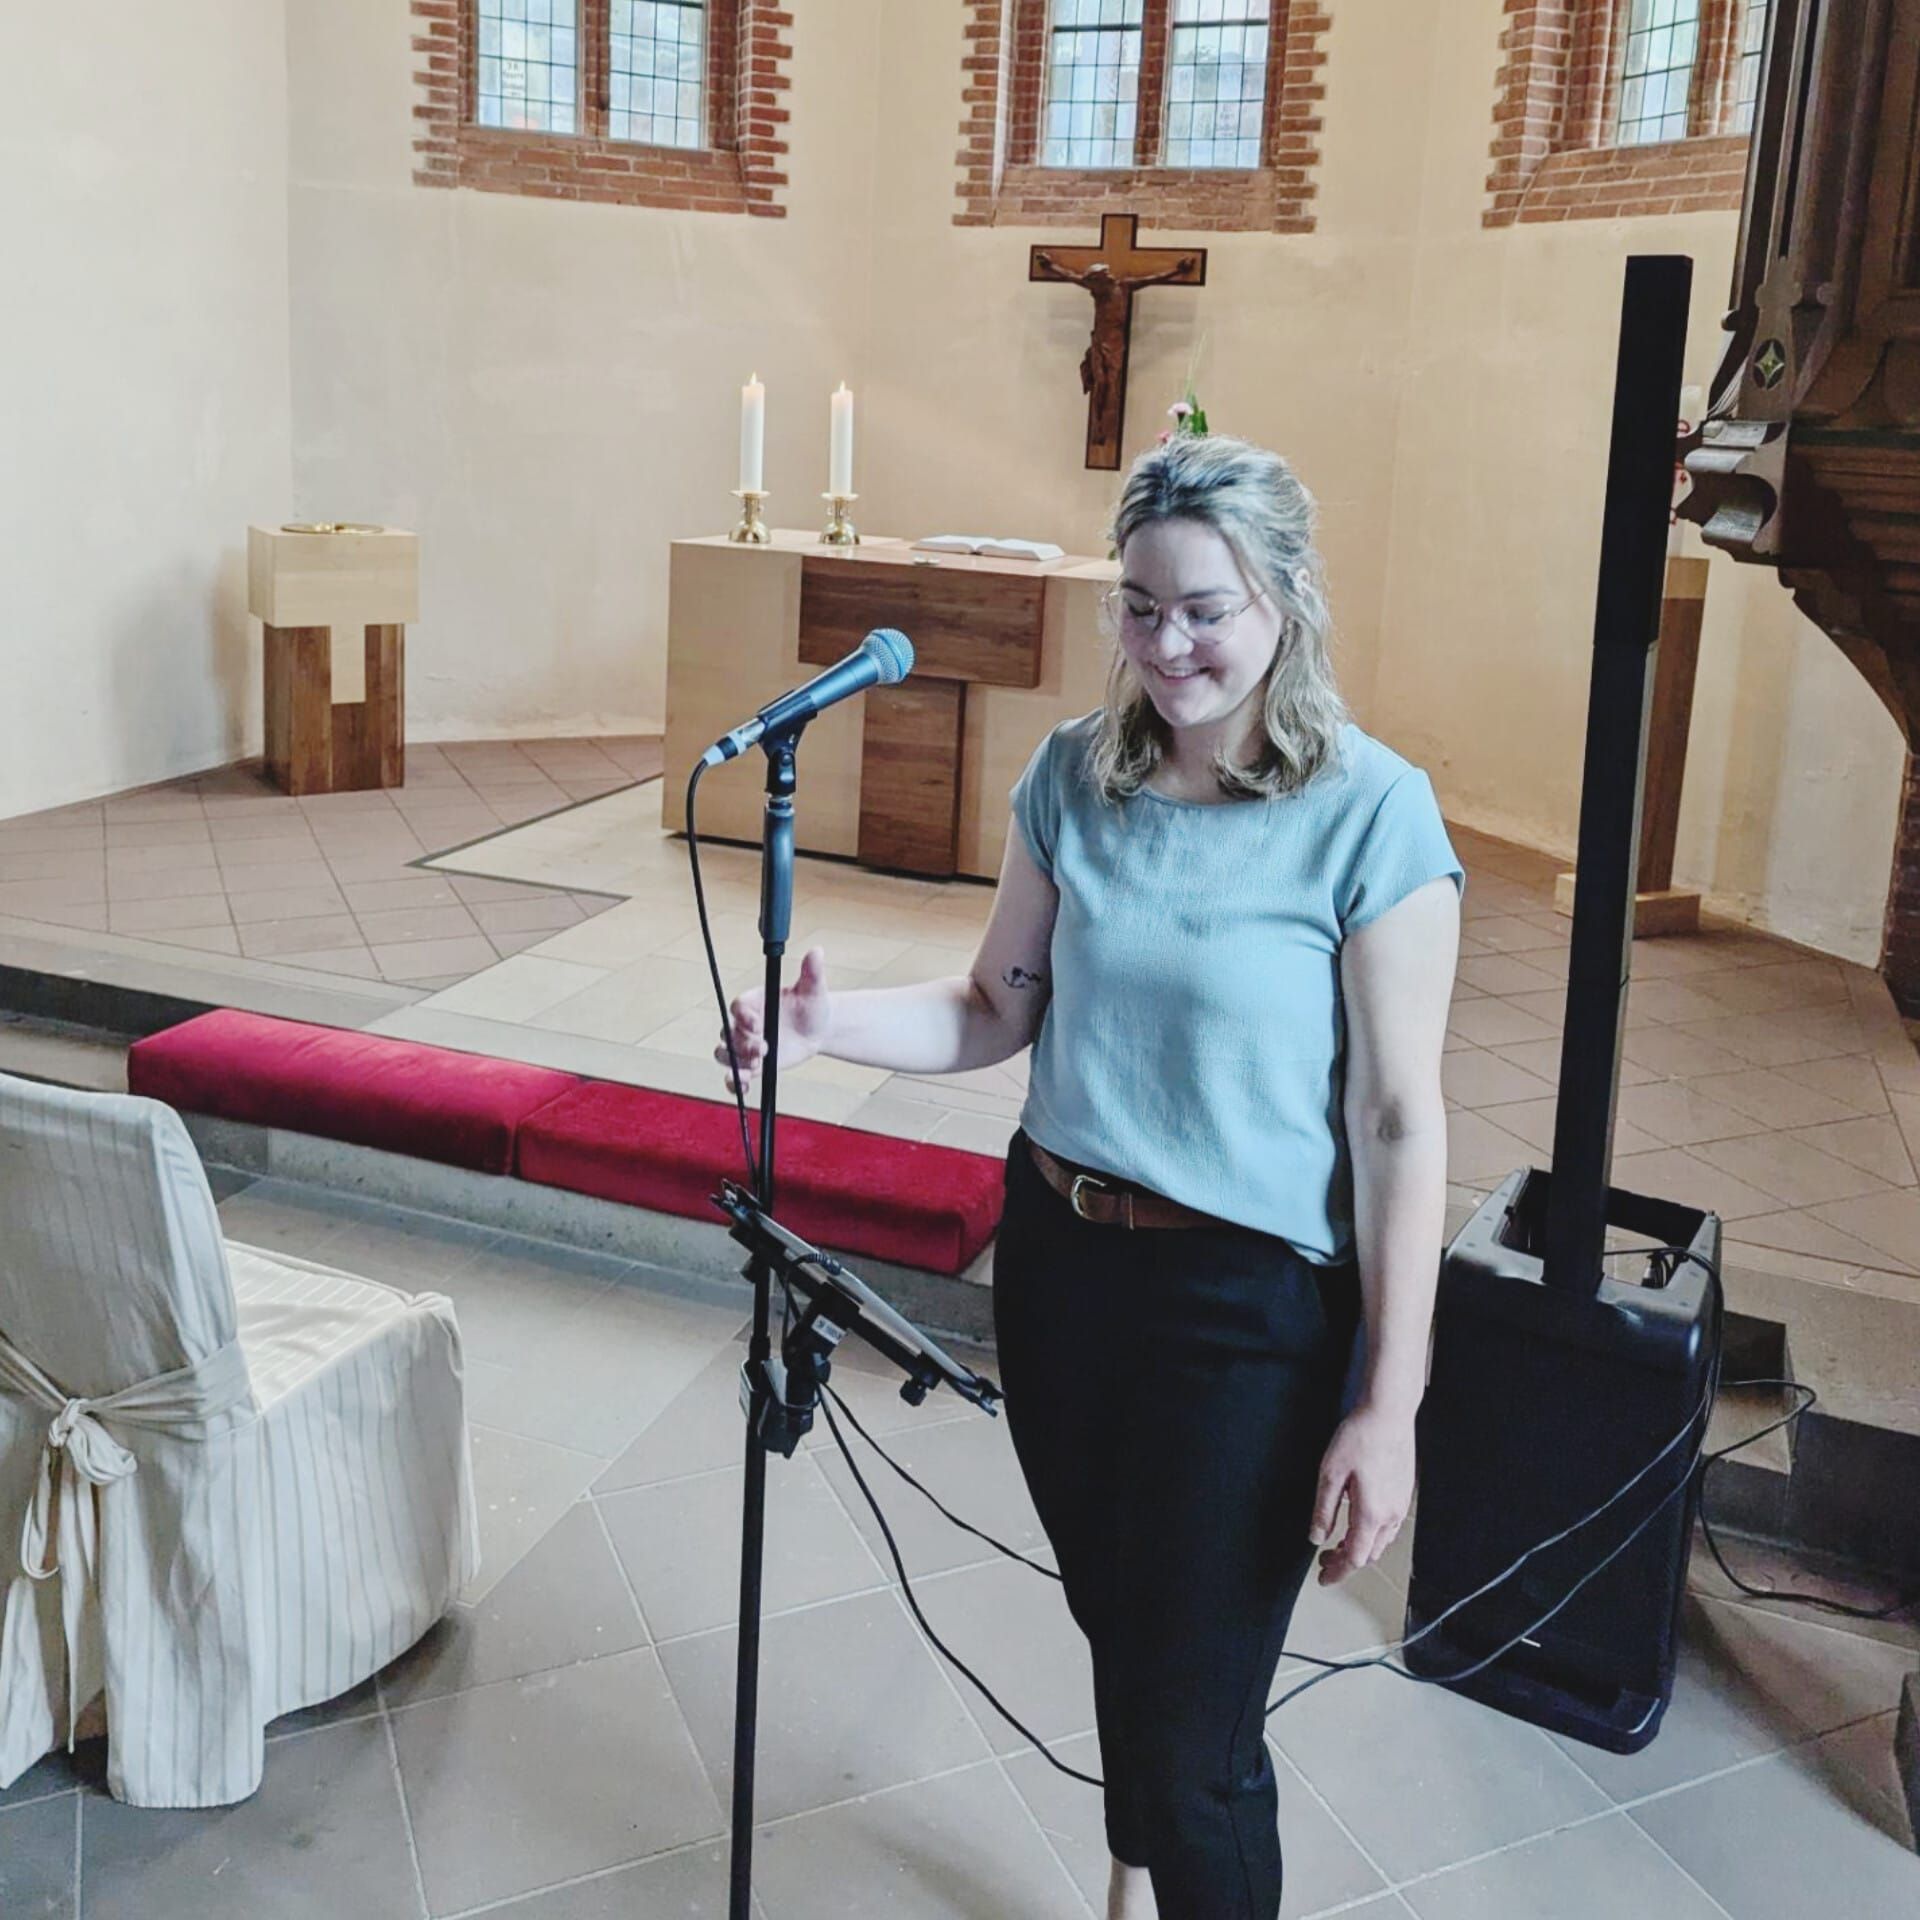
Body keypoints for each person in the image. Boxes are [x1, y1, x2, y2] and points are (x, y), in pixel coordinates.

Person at [718, 434, 1463, 1920]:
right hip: (1063, 1271)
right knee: (1123, 1626)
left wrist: (1390, 1407)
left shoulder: (1372, 813)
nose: (1167, 646)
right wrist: (822, 1027)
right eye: (1140, 607)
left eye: (1206, 610)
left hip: (1248, 1306)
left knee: (1196, 1749)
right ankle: (1136, 1878)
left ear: (1285, 601)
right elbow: (994, 1008)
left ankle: (1167, 1863)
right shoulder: (1075, 775)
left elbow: (1396, 1120)